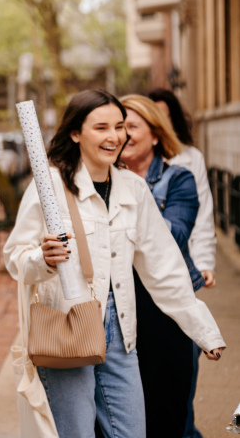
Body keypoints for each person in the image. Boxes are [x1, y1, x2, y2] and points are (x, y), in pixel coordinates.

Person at [3, 89, 225, 438]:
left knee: (132, 431)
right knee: (76, 432)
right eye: (101, 127)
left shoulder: (133, 189)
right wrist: (42, 259)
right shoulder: (50, 185)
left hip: (121, 330)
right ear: (76, 133)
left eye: (120, 126)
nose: (114, 136)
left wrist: (203, 331)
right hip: (67, 326)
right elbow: (15, 258)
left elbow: (163, 265)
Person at [120, 94, 205, 438]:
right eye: (114, 126)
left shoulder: (179, 179)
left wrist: (132, 195)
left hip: (166, 312)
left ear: (155, 134)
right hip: (120, 311)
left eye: (130, 126)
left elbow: (176, 235)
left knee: (169, 411)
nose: (120, 134)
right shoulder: (100, 180)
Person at [147, 88, 217, 438]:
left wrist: (205, 262)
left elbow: (200, 217)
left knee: (177, 387)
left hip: (178, 274)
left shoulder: (187, 162)